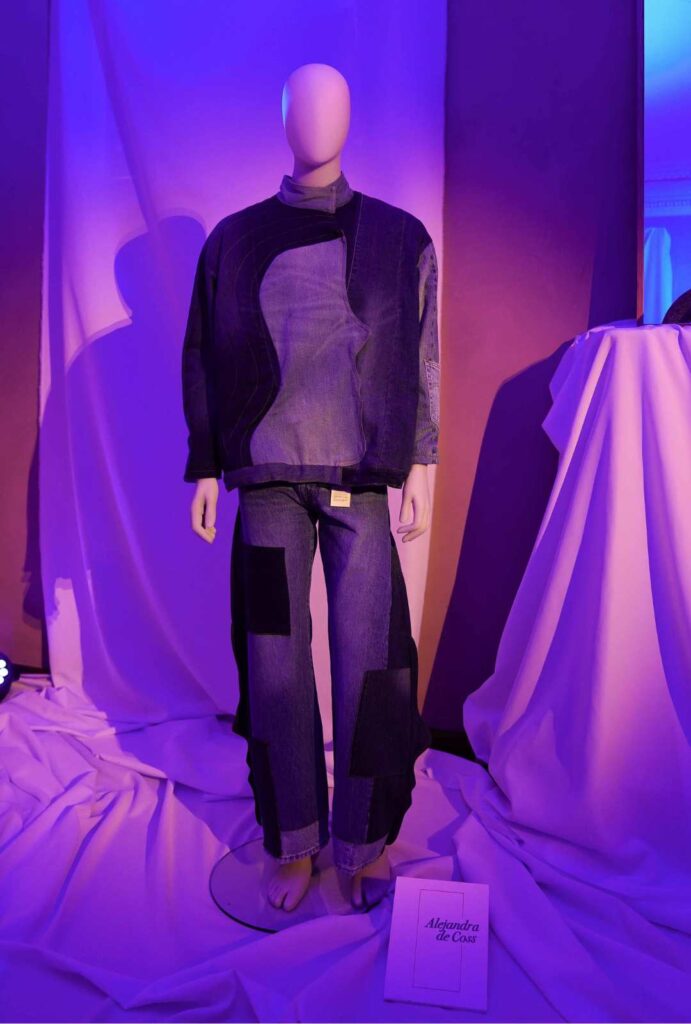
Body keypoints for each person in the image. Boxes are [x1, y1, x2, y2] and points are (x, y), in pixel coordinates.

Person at [182, 63, 440, 912]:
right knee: (274, 661)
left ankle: (361, 839)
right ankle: (291, 835)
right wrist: (207, 464)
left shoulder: (398, 239)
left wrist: (421, 460)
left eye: (331, 105)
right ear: (283, 117)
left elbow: (421, 356)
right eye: (302, 105)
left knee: (371, 660)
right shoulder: (234, 241)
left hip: (358, 481)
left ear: (350, 118)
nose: (316, 120)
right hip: (265, 487)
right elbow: (203, 358)